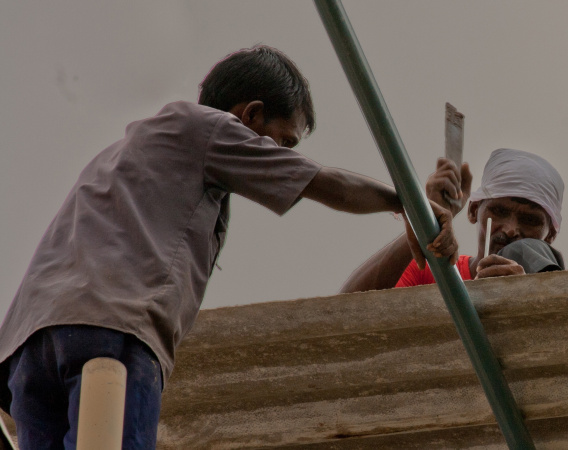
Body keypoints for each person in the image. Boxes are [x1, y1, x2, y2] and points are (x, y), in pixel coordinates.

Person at [0, 45, 456, 449]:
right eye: (285, 142)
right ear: (251, 115)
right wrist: (407, 203)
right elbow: (324, 183)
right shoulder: (205, 128)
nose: (284, 156)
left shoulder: (138, 153)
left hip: (28, 354)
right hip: (110, 330)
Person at [340, 148, 564, 293]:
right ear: (474, 211)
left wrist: (528, 293)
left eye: (530, 220)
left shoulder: (553, 293)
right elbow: (345, 308)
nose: (511, 229)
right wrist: (425, 221)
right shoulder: (433, 271)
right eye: (499, 211)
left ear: (550, 235)